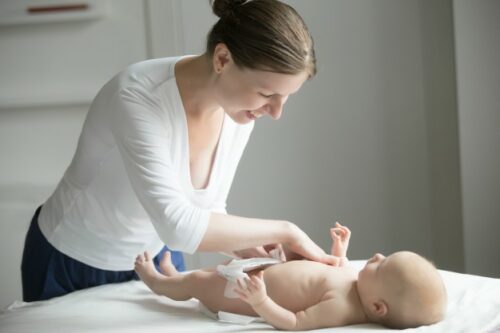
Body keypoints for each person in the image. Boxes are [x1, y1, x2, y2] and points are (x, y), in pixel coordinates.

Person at [21, 0, 339, 302]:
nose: (275, 112)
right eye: (266, 93)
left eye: (285, 98)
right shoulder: (136, 97)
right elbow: (178, 226)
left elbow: (207, 209)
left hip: (156, 260)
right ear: (222, 59)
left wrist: (250, 249)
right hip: (73, 262)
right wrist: (287, 231)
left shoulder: (239, 112)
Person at [134, 222, 447, 330]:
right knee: (207, 272)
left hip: (245, 294)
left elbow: (295, 323)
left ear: (378, 307)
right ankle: (176, 275)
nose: (376, 257)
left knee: (199, 285)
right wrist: (339, 250)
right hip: (263, 269)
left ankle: (159, 283)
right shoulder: (357, 282)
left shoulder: (343, 307)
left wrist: (262, 301)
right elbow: (334, 268)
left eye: (382, 265)